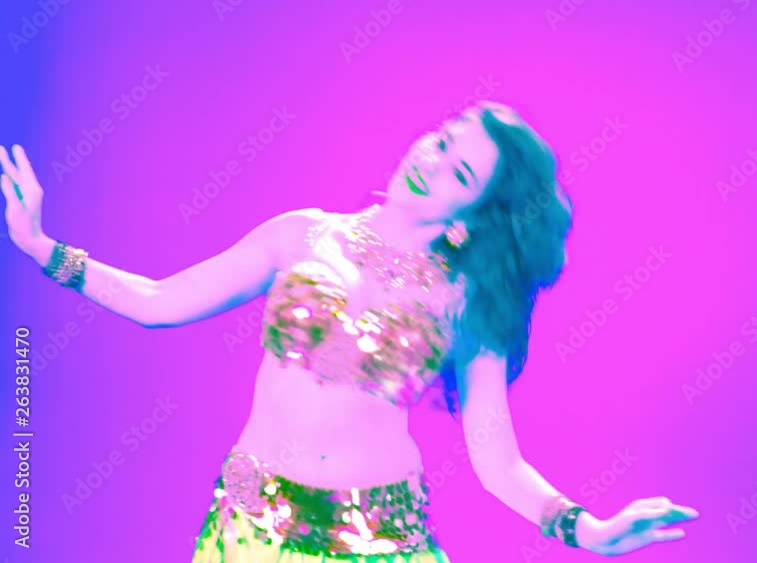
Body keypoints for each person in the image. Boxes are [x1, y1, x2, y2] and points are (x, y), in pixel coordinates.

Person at [0, 101, 698, 562]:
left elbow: (497, 461)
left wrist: (585, 528)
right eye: (442, 141)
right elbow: (161, 301)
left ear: (474, 213)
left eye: (459, 171)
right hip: (247, 533)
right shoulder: (300, 234)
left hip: (378, 543)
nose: (431, 161)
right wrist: (43, 248)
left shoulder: (467, 303)